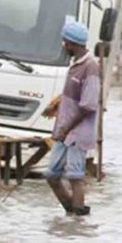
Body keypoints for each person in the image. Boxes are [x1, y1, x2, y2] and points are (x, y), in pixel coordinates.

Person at [44, 22, 101, 217]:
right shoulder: (75, 66)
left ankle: (77, 218)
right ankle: (72, 211)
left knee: (76, 176)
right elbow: (72, 98)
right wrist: (57, 107)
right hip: (63, 131)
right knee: (51, 174)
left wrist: (67, 127)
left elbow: (88, 105)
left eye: (64, 42)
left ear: (70, 43)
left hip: (77, 132)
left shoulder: (90, 67)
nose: (63, 46)